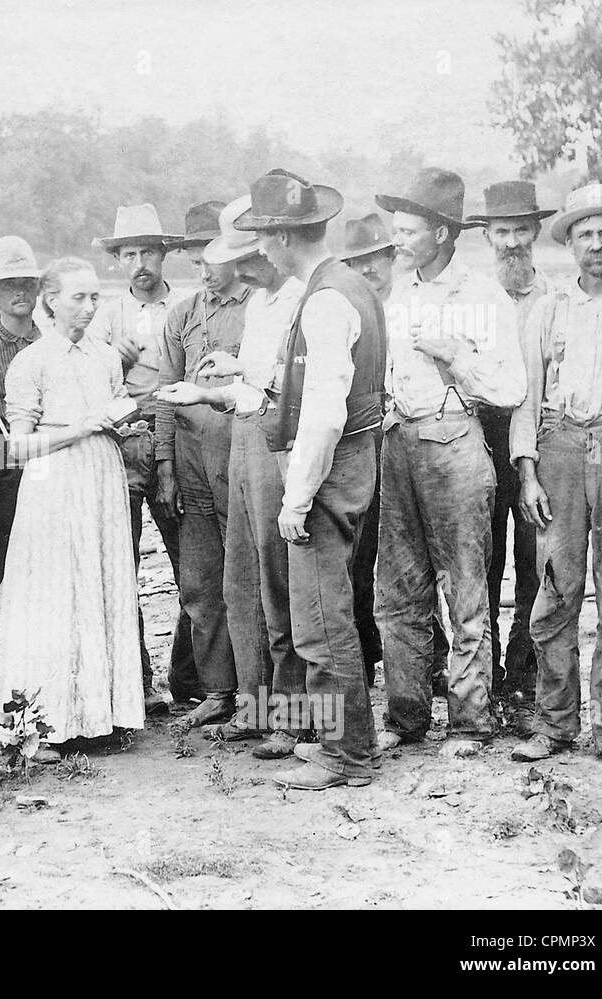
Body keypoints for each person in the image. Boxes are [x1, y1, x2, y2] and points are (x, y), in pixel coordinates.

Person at [234, 169, 385, 790]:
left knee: (321, 619)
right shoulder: (350, 287)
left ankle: (345, 756)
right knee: (331, 608)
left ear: (287, 237)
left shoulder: (325, 300)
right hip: (353, 458)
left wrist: (296, 497)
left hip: (330, 466)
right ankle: (345, 741)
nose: (262, 251)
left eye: (266, 239)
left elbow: (324, 411)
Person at [374, 168, 526, 753]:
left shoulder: (481, 297)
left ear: (441, 234)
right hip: (399, 445)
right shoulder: (398, 293)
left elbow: (511, 387)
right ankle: (406, 717)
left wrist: (459, 357)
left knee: (465, 588)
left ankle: (470, 721)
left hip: (457, 444)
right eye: (395, 228)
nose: (398, 239)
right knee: (398, 590)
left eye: (408, 229)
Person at [160, 195, 308, 758]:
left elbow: (297, 387)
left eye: (245, 255)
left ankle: (293, 719)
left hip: (275, 446)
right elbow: (248, 389)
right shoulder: (267, 303)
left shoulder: (301, 299)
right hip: (242, 437)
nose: (239, 267)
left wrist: (238, 378)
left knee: (280, 586)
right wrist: (209, 391)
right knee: (240, 582)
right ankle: (253, 707)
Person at [510, 183, 602, 769]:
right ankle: (554, 722)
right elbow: (527, 397)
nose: (597, 244)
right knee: (554, 589)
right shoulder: (551, 308)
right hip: (558, 448)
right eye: (585, 233)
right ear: (569, 242)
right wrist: (528, 471)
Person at [0, 257, 145, 754]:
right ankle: (43, 722)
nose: (87, 306)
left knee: (99, 580)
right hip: (52, 480)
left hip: (101, 475)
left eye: (94, 297)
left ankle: (102, 716)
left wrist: (125, 424)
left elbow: (116, 405)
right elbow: (17, 446)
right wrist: (81, 427)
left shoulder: (104, 356)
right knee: (56, 590)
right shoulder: (32, 361)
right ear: (51, 301)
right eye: (77, 297)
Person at [337, 213, 450, 687]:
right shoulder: (344, 309)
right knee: (361, 559)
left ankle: (433, 657)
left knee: (418, 559)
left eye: (376, 260)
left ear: (391, 259)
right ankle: (364, 660)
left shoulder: (409, 304)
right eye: (356, 263)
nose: (368, 272)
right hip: (363, 446)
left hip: (409, 442)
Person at [88, 204, 189, 715]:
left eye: (148, 251)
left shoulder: (187, 305)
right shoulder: (104, 316)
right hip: (122, 442)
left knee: (188, 560)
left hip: (176, 437)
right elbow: (87, 387)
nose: (139, 262)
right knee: (121, 564)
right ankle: (137, 683)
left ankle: (191, 679)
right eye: (128, 253)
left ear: (165, 253)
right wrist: (116, 360)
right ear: (118, 260)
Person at [157, 200, 252, 726]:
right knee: (200, 582)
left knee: (251, 581)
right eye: (195, 260)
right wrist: (167, 463)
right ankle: (218, 693)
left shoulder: (260, 307)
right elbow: (164, 395)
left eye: (209, 258)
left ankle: (262, 700)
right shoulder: (184, 314)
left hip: (242, 463)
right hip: (192, 470)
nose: (202, 270)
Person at [465, 181, 554, 733]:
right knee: (480, 559)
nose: (513, 241)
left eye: (522, 229)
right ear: (488, 236)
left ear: (536, 233)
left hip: (537, 442)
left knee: (533, 559)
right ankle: (482, 678)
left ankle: (523, 674)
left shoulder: (553, 297)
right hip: (480, 434)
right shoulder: (472, 298)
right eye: (503, 231)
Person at [0, 235, 43, 692]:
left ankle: (30, 682)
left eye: (26, 283)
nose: (19, 292)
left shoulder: (52, 341)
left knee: (40, 581)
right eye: (7, 284)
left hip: (45, 477)